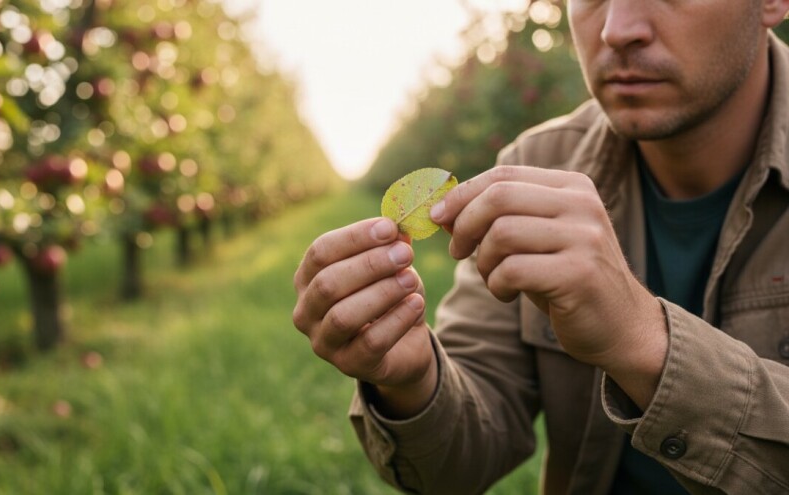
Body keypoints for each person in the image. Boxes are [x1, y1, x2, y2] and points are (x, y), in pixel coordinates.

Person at [292, 0, 789, 493]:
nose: (617, 29)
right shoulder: (538, 165)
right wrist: (412, 383)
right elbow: (458, 460)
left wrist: (643, 340)